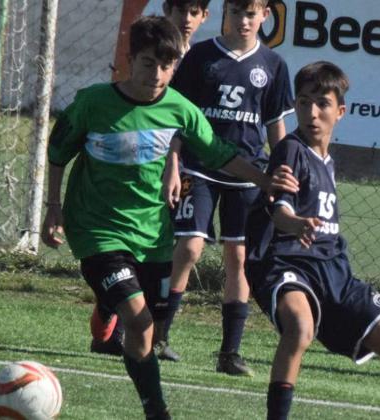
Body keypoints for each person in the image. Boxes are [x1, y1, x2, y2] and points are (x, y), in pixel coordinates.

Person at [42, 16, 297, 419]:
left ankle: (110, 310)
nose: (157, 75)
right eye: (148, 64)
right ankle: (156, 410)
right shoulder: (93, 103)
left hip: (154, 236)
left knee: (153, 328)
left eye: (166, 66)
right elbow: (57, 153)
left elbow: (220, 154)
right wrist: (52, 208)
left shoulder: (181, 110)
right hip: (98, 231)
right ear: (130, 60)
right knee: (140, 323)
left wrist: (265, 181)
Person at [244, 61, 380, 420]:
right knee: (300, 328)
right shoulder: (290, 150)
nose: (312, 113)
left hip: (336, 274)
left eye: (322, 104)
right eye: (303, 102)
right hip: (287, 265)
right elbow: (279, 211)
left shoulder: (327, 161)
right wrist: (297, 223)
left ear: (341, 111)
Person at [161, 0, 295, 373]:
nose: (243, 21)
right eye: (236, 13)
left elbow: (275, 127)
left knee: (239, 258)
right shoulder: (203, 57)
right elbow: (178, 118)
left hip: (248, 173)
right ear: (224, 14)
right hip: (199, 166)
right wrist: (173, 162)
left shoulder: (272, 65)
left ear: (265, 16)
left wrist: (278, 174)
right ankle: (159, 335)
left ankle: (229, 354)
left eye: (251, 14)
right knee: (189, 248)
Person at [88, 0, 213, 359]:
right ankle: (115, 316)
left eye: (194, 12)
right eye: (178, 12)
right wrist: (171, 160)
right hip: (155, 166)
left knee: (180, 249)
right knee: (136, 248)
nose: (185, 20)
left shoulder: (205, 56)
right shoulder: (153, 50)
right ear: (165, 12)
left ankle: (158, 335)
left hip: (195, 165)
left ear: (205, 16)